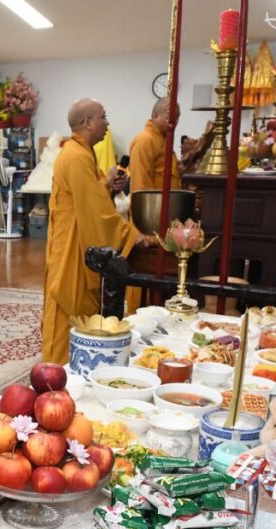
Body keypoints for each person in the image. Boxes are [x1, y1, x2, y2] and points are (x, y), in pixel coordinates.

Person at [42, 99, 157, 364]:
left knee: (77, 309)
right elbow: (95, 211)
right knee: (68, 311)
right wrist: (131, 235)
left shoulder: (81, 153)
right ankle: (59, 371)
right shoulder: (76, 156)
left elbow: (89, 198)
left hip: (75, 238)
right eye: (103, 117)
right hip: (71, 246)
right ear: (87, 123)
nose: (107, 123)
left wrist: (105, 186)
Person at [129, 97, 182, 192]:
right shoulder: (144, 140)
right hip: (154, 201)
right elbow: (140, 184)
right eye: (170, 117)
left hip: (170, 200)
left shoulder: (164, 141)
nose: (175, 121)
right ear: (156, 116)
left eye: (177, 117)